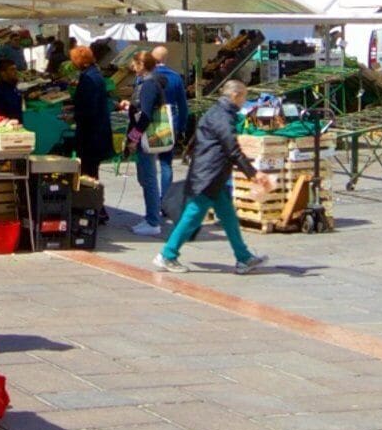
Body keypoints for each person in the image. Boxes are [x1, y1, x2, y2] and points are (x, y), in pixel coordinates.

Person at [158, 77, 267, 273]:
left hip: (212, 176)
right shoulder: (223, 117)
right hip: (208, 176)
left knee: (228, 216)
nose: (244, 101)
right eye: (243, 97)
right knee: (192, 216)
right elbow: (232, 150)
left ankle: (244, 257)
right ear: (235, 95)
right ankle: (167, 254)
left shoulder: (219, 112)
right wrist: (253, 173)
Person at [126, 48, 192, 234]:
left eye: (135, 63)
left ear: (141, 65)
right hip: (159, 133)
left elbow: (145, 114)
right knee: (155, 172)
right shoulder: (158, 81)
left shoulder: (148, 84)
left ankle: (153, 221)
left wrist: (133, 138)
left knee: (148, 178)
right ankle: (152, 215)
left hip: (148, 136)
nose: (132, 67)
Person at [66, 44, 119, 183]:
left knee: (88, 171)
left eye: (74, 59)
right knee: (92, 170)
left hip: (91, 133)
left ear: (80, 60)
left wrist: (74, 116)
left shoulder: (89, 78)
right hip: (97, 131)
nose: (73, 63)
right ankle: (92, 200)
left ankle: (90, 200)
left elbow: (89, 106)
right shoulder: (95, 74)